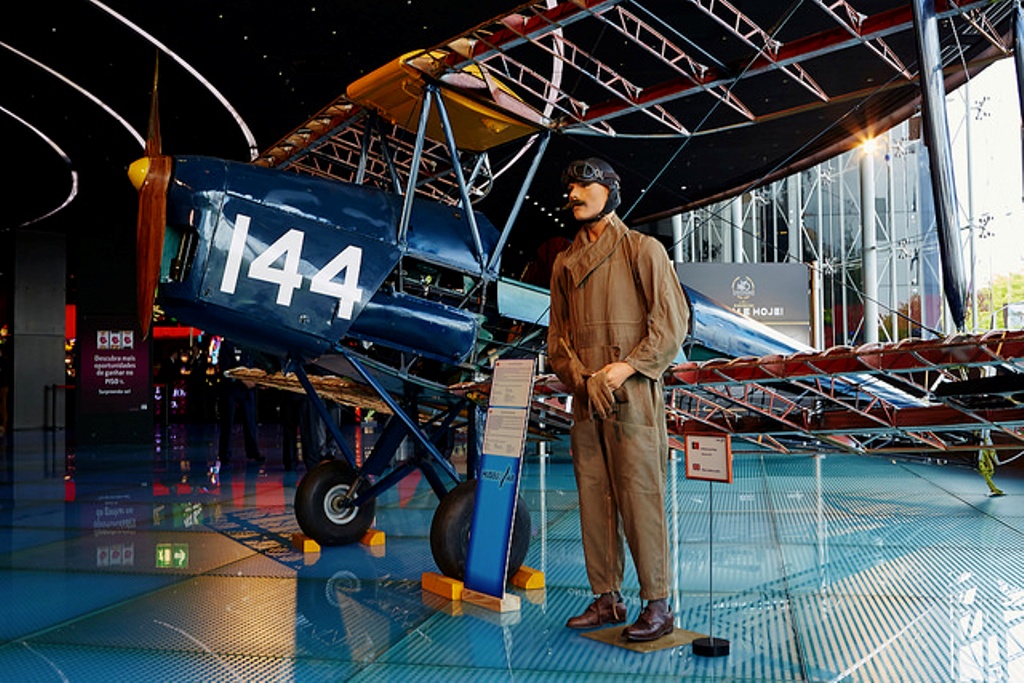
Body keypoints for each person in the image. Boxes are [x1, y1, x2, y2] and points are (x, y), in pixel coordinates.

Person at [547, 157, 690, 642]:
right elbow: (557, 342)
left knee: (640, 497)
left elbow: (671, 325)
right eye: (570, 185)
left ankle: (658, 603)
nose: (574, 193)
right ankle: (606, 598)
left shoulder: (641, 250)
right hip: (588, 397)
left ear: (610, 190)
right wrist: (584, 379)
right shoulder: (564, 264)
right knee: (594, 498)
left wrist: (624, 369)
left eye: (584, 183)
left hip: (634, 395)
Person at [217, 338, 263, 465]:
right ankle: (225, 454)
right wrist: (240, 379)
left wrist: (256, 380)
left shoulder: (249, 344)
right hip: (231, 388)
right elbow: (224, 368)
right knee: (227, 422)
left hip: (247, 390)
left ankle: (253, 451)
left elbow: (253, 364)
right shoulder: (226, 344)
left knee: (250, 421)